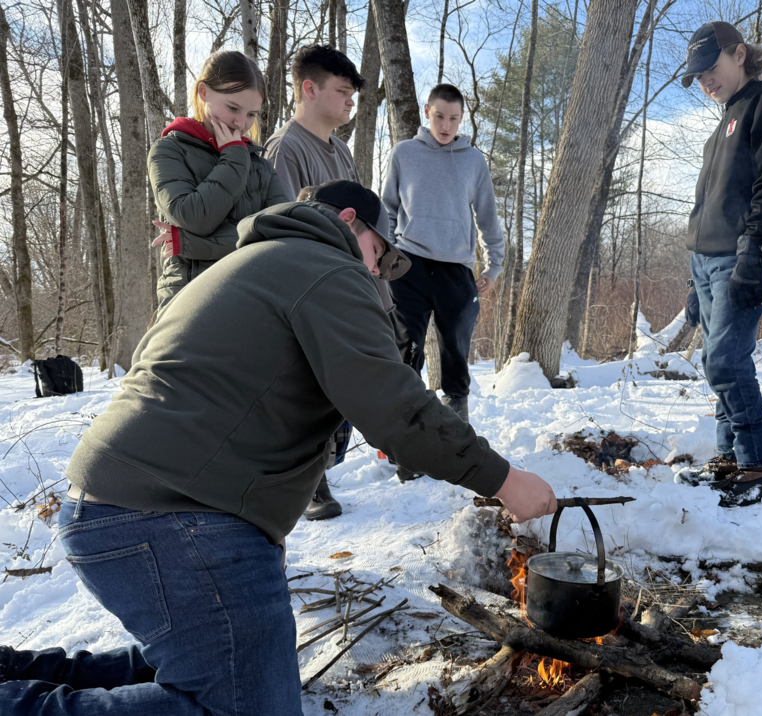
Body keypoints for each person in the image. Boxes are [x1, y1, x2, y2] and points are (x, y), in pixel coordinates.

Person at [0, 181, 558, 715]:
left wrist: (260, 527)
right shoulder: (325, 267)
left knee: (211, 665)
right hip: (167, 514)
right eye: (381, 257)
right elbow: (397, 406)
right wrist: (504, 480)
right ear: (348, 223)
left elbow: (237, 401)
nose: (377, 275)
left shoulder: (254, 264)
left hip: (130, 502)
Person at [681, 22, 762, 507]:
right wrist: (694, 282)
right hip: (706, 260)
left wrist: (756, 250)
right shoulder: (722, 122)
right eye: (700, 76)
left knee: (725, 361)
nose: (707, 82)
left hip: (741, 255)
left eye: (712, 69)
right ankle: (730, 458)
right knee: (720, 361)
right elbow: (710, 202)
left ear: (740, 53)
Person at [264, 45, 383, 522]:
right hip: (306, 292)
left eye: (353, 92)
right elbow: (276, 231)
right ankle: (310, 482)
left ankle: (321, 464)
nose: (350, 100)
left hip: (346, 285)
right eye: (342, 91)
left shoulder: (341, 152)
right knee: (305, 388)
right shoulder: (285, 150)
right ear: (308, 90)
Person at [382, 84, 504, 481]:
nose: (446, 125)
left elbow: (487, 218)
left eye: (454, 118)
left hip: (456, 271)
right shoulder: (404, 154)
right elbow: (386, 209)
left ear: (462, 119)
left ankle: (454, 446)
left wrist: (493, 266)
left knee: (455, 358)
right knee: (407, 355)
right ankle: (409, 451)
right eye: (439, 116)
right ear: (426, 112)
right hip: (408, 266)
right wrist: (380, 258)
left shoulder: (473, 161)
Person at [149, 50, 289, 310]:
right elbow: (195, 217)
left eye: (251, 114)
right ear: (204, 92)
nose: (240, 122)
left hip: (253, 298)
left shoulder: (261, 166)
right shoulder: (168, 150)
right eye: (233, 108)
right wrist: (235, 157)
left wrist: (190, 243)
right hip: (190, 299)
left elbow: (283, 237)